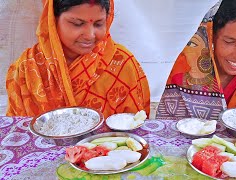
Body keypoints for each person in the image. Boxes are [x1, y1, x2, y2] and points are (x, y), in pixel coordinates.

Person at [6, 0, 150, 117]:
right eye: (77, 24)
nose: (90, 35)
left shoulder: (122, 64)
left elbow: (136, 126)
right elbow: (18, 133)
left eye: (98, 24)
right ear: (52, 20)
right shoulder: (27, 68)